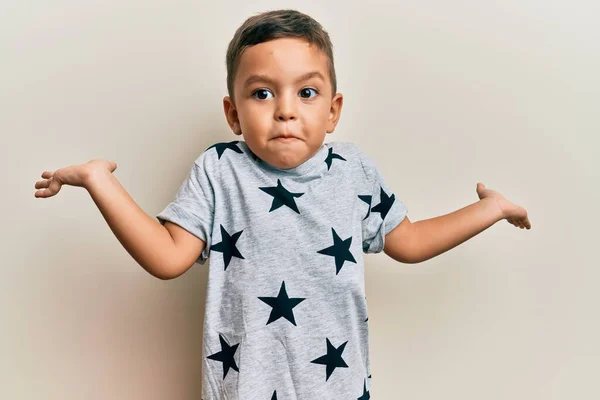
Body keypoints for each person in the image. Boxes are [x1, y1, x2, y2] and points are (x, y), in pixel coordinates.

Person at [33, 8, 531, 400]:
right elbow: (166, 258)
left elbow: (411, 241)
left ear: (334, 110)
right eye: (263, 93)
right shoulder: (220, 170)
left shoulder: (353, 170)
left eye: (307, 92)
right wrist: (101, 182)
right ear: (233, 113)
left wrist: (490, 209)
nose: (286, 110)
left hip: (337, 386)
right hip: (242, 387)